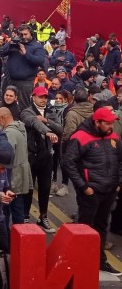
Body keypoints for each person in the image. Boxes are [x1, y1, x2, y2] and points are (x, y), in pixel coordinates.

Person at [63, 108, 122, 276]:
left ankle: (99, 260)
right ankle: (79, 261)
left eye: (112, 122)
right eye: (108, 123)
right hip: (91, 191)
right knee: (85, 226)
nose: (111, 126)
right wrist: (83, 187)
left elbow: (120, 161)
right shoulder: (79, 137)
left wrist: (118, 182)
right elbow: (69, 163)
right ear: (97, 122)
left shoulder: (113, 137)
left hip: (109, 190)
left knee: (102, 226)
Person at [20, 86, 63, 232]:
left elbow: (60, 129)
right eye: (40, 97)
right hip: (31, 155)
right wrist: (47, 132)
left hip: (47, 156)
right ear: (33, 97)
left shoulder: (51, 112)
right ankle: (25, 216)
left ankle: (43, 217)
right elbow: (33, 122)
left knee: (45, 188)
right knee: (28, 189)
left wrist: (47, 121)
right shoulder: (27, 111)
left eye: (45, 97)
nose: (43, 99)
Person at [0, 107, 33, 225]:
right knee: (18, 208)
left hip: (12, 177)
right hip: (21, 174)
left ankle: (8, 237)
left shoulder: (9, 133)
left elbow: (6, 156)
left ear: (3, 117)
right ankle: (19, 235)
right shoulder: (20, 129)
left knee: (8, 209)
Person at [0, 24, 47, 111]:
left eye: (25, 34)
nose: (23, 37)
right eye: (21, 34)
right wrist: (10, 44)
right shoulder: (14, 43)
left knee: (23, 107)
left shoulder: (36, 46)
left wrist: (26, 53)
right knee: (4, 104)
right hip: (9, 79)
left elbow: (40, 61)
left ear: (31, 34)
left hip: (25, 82)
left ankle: (23, 124)